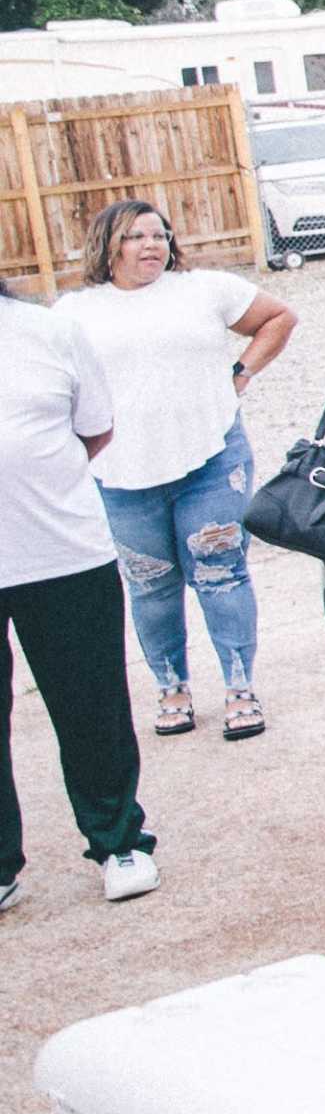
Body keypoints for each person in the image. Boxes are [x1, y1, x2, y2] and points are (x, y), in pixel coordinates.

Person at [63, 200, 291, 741]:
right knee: (150, 586)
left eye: (159, 235)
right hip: (122, 472)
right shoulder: (74, 311)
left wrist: (241, 373)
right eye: (135, 236)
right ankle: (172, 690)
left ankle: (240, 690)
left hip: (211, 460)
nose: (151, 245)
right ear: (107, 246)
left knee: (221, 574)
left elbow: (279, 317)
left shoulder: (204, 289)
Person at [0, 280, 154, 916]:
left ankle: (118, 842)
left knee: (89, 704)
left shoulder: (47, 331)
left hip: (61, 551)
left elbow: (95, 430)